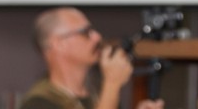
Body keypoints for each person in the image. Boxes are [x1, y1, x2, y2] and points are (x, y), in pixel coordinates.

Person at [20, 7, 164, 109]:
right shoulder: (38, 103)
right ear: (59, 44)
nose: (97, 37)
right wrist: (112, 84)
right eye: (85, 32)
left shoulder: (97, 96)